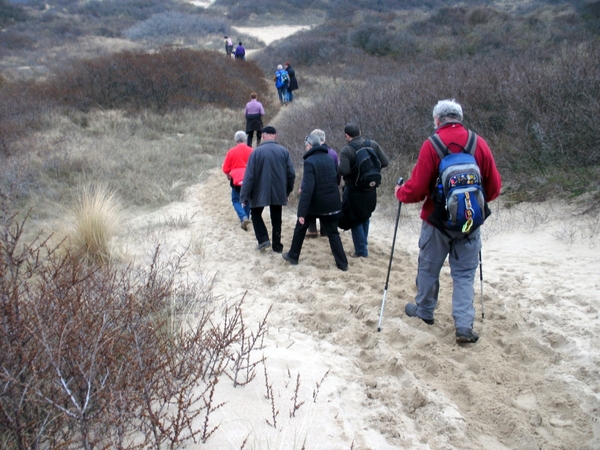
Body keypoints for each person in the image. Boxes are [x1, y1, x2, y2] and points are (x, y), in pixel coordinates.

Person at [395, 99, 502, 344]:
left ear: (437, 120)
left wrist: (400, 192)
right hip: (469, 224)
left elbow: (418, 189)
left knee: (429, 268)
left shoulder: (432, 145)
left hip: (437, 222)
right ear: (459, 118)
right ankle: (464, 326)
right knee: (464, 275)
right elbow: (494, 188)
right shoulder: (479, 143)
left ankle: (424, 312)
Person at [282, 134, 348, 271]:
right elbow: (335, 181)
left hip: (316, 203)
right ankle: (343, 264)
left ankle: (293, 256)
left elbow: (308, 188)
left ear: (310, 145)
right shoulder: (330, 159)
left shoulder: (309, 161)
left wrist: (302, 212)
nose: (305, 148)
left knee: (300, 227)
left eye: (306, 145)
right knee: (333, 233)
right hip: (331, 202)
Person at [241, 126, 296, 253]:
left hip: (259, 190)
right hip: (278, 190)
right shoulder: (284, 151)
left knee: (255, 214)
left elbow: (249, 176)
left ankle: (263, 239)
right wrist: (287, 191)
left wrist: (244, 196)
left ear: (264, 136)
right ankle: (277, 246)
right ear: (275, 135)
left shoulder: (256, 152)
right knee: (277, 218)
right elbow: (291, 174)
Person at [338, 123, 389, 258]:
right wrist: (371, 172)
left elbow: (343, 170)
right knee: (366, 216)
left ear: (346, 136)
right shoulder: (372, 144)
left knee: (355, 219)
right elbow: (385, 162)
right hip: (371, 188)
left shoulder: (347, 150)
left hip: (354, 189)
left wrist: (355, 174)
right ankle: (363, 245)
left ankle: (361, 251)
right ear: (360, 132)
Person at [306, 128, 340, 238]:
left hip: (316, 185)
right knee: (326, 209)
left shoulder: (311, 153)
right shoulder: (333, 153)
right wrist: (337, 183)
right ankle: (324, 230)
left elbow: (309, 173)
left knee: (310, 205)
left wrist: (303, 187)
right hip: (330, 186)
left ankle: (312, 230)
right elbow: (337, 170)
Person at [222, 131, 253, 231]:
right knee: (247, 199)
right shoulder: (252, 151)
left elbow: (225, 168)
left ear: (235, 140)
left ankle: (243, 217)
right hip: (249, 178)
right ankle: (246, 216)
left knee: (236, 199)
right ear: (245, 139)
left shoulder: (231, 151)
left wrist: (228, 175)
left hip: (236, 179)